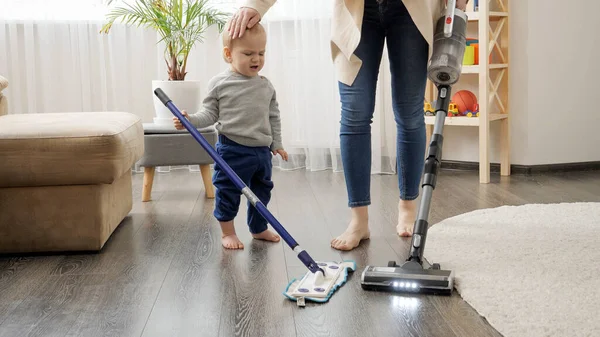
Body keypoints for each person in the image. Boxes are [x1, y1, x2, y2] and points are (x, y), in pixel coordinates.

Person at [227, 0, 468, 251]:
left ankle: (408, 206)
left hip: (412, 8)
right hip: (359, 9)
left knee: (409, 113)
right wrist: (256, 5)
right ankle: (359, 220)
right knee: (355, 114)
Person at [173, 22, 289, 250]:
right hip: (232, 150)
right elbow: (209, 114)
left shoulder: (266, 86)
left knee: (261, 194)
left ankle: (258, 228)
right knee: (228, 192)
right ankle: (228, 233)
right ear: (228, 54)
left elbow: (273, 116)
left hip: (262, 152)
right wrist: (190, 120)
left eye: (261, 53)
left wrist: (278, 143)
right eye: (248, 53)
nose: (256, 59)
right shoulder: (220, 83)